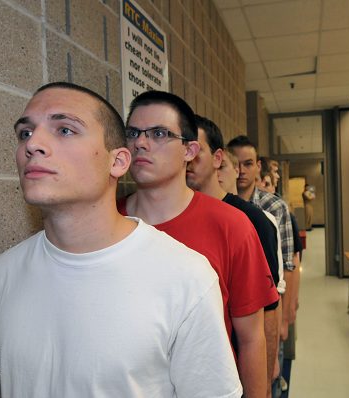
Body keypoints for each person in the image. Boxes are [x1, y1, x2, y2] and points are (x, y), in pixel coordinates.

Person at [0, 82, 241, 397]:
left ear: (117, 162)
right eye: (25, 133)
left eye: (65, 130)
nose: (33, 145)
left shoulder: (187, 278)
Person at [118, 91, 278, 398]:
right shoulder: (109, 221)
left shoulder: (232, 225)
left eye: (159, 134)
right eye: (133, 133)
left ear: (190, 150)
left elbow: (251, 337)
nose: (140, 143)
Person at [188, 115, 283, 397]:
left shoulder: (251, 220)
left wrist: (264, 379)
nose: (187, 158)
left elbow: (269, 308)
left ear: (217, 158)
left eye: (195, 149)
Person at [226, 135, 298, 398]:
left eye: (249, 164)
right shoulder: (221, 208)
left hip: (269, 312)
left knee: (271, 380)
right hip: (242, 321)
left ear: (258, 166)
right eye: (238, 164)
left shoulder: (274, 208)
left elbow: (288, 265)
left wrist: (285, 319)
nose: (242, 170)